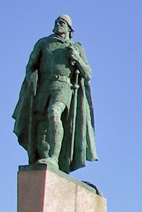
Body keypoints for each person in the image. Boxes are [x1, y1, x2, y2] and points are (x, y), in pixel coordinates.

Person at [13, 16, 96, 173]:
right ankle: (43, 157)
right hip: (44, 86)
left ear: (69, 29)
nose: (58, 24)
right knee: (41, 125)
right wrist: (31, 78)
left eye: (62, 23)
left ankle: (54, 158)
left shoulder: (76, 48)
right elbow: (30, 66)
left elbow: (88, 73)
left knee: (54, 113)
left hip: (64, 86)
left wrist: (77, 59)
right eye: (57, 22)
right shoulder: (44, 43)